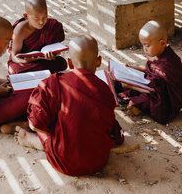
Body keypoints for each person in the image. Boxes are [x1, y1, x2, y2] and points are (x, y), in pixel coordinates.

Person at [14, 35, 124, 176]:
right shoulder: (105, 89)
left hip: (63, 161)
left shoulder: (54, 84)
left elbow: (35, 125)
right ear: (98, 62)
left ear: (70, 64)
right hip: (98, 161)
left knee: (48, 120)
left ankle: (35, 141)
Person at [118, 20, 182, 124]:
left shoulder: (167, 65)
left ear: (162, 43)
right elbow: (149, 68)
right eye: (143, 45)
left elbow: (153, 89)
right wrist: (131, 67)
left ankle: (139, 107)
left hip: (167, 102)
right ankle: (137, 104)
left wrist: (130, 86)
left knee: (146, 98)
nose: (144, 49)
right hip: (154, 87)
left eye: (147, 45)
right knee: (123, 83)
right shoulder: (161, 52)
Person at [8, 0, 67, 74]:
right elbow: (14, 57)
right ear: (26, 16)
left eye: (45, 17)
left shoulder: (50, 25)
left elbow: (53, 46)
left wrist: (52, 55)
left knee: (62, 63)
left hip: (43, 60)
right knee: (15, 70)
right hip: (25, 62)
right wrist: (28, 60)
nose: (41, 22)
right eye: (36, 18)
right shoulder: (20, 30)